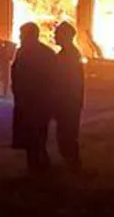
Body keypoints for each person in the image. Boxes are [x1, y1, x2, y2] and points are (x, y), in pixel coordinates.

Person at [10, 22, 57, 173]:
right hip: (42, 101)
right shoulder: (47, 52)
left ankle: (36, 166)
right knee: (39, 134)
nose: (19, 37)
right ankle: (41, 164)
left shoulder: (24, 52)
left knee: (32, 135)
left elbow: (18, 75)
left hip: (30, 101)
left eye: (22, 34)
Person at [53, 21, 85, 171]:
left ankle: (73, 165)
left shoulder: (69, 54)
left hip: (68, 101)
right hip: (68, 101)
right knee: (66, 133)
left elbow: (65, 80)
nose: (54, 35)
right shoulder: (68, 53)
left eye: (57, 33)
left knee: (67, 134)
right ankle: (72, 163)